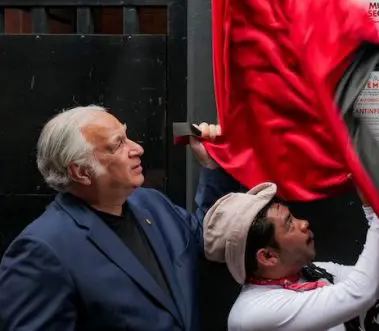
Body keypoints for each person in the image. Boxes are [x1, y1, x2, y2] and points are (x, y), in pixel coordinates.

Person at [0, 105, 239, 330]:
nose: (137, 149)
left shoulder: (152, 203)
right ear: (81, 172)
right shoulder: (43, 251)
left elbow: (208, 238)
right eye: (117, 144)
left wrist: (211, 167)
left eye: (126, 136)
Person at [202, 180, 379, 331]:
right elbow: (360, 292)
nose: (303, 224)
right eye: (289, 224)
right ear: (267, 256)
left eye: (293, 217)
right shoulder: (252, 313)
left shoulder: (312, 274)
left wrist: (375, 211)